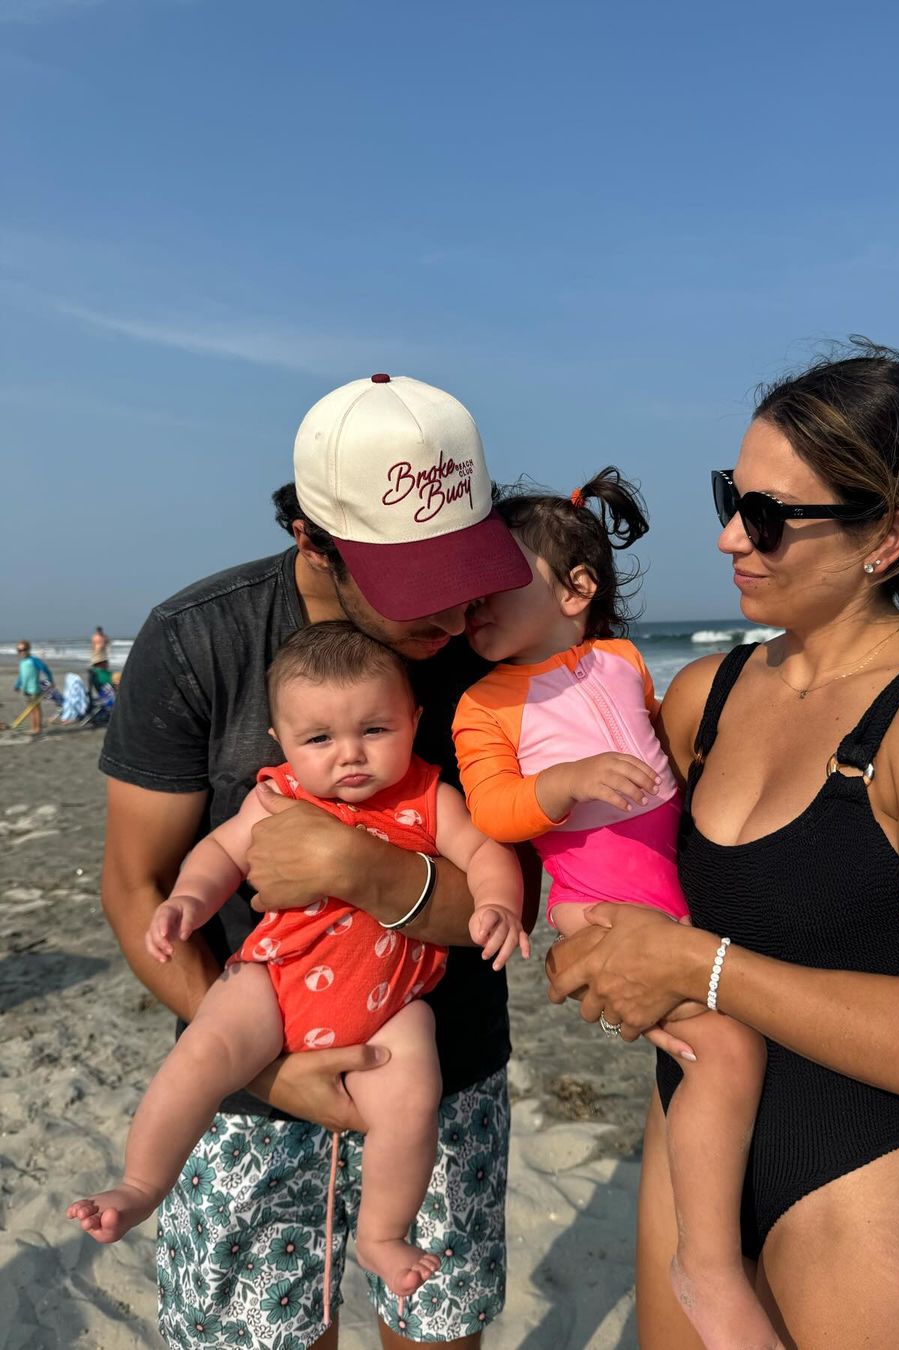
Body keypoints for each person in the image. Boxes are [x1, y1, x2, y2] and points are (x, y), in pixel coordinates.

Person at [547, 343, 899, 1349]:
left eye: (770, 516)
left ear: (889, 535)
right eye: (732, 495)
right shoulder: (705, 698)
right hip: (693, 1168)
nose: (731, 536)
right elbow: (596, 866)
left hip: (859, 1180)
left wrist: (699, 965)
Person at [97, 373, 539, 1350]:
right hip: (252, 1077)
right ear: (313, 540)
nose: (454, 614)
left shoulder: (497, 649)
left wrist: (361, 868)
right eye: (415, 584)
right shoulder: (198, 641)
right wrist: (268, 1073)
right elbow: (137, 885)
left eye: (466, 568)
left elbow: (516, 896)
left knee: (436, 1328)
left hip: (437, 1074)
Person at [71, 621, 527, 1309]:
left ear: (414, 720)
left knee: (411, 1100)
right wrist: (188, 902)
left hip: (390, 1007)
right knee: (203, 1054)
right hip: (276, 981)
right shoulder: (276, 795)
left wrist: (497, 903)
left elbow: (489, 854)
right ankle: (140, 1183)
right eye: (320, 740)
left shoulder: (428, 796)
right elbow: (221, 853)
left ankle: (382, 1234)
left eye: (375, 730)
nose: (350, 756)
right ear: (282, 742)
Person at [452, 469, 779, 1346]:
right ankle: (706, 1267)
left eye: (494, 586)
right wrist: (563, 782)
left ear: (576, 590)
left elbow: (663, 739)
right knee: (726, 1047)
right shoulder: (483, 703)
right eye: (467, 593)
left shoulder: (623, 661)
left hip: (672, 897)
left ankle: (728, 1234)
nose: (471, 605)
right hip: (594, 903)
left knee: (715, 1047)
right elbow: (492, 809)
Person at [14, 640, 54, 736]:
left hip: (34, 689)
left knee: (36, 708)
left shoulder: (34, 660)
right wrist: (17, 685)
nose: (22, 652)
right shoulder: (22, 662)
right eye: (19, 650)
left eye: (24, 649)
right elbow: (21, 676)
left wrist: (50, 680)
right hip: (26, 689)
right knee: (31, 709)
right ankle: (33, 727)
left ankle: (38, 728)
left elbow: (45, 669)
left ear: (28, 649)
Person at [88, 625, 112, 703]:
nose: (99, 631)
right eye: (99, 630)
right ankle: (102, 692)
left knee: (103, 675)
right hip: (97, 657)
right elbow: (93, 646)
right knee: (97, 675)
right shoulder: (95, 637)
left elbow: (108, 643)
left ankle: (103, 691)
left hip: (102, 656)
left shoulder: (103, 637)